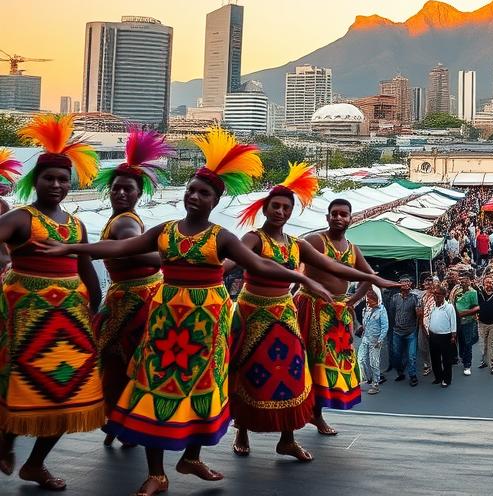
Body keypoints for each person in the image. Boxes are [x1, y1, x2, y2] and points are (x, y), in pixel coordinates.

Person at [40, 128, 334, 496]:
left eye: (204, 193)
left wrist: (299, 276)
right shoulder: (164, 231)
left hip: (207, 326)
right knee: (153, 390)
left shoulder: (222, 238)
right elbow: (118, 249)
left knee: (203, 389)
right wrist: (68, 250)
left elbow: (259, 266)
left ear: (215, 200)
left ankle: (191, 458)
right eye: (191, 190)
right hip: (165, 323)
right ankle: (157, 474)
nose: (194, 196)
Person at [229, 165, 395, 461]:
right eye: (275, 206)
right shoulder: (253, 239)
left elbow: (334, 266)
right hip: (252, 315)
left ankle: (287, 439)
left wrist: (373, 280)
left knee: (294, 376)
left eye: (286, 207)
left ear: (291, 212)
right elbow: (229, 262)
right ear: (265, 208)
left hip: (284, 316)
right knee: (247, 373)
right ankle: (241, 430)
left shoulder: (298, 244)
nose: (280, 211)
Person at [0, 116, 103, 491]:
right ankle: (6, 444)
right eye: (49, 178)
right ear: (35, 181)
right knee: (18, 388)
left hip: (71, 325)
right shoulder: (20, 218)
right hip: (24, 319)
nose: (57, 185)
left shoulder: (77, 225)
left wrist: (95, 309)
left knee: (70, 394)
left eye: (63, 179)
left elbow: (87, 270)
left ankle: (35, 464)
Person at [91, 129, 172, 447]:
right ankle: (123, 420)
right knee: (126, 364)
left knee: (125, 364)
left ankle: (120, 420)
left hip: (136, 303)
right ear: (108, 190)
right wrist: (173, 254)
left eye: (128, 189)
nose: (121, 193)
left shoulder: (125, 220)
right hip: (133, 303)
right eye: (117, 187)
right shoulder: (126, 223)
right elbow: (129, 249)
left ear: (139, 193)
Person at [300, 197, 387, 430]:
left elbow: (369, 278)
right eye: (334, 213)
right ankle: (297, 418)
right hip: (310, 308)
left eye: (343, 214)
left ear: (351, 218)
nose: (338, 217)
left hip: (336, 315)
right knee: (305, 364)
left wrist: (351, 301)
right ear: (327, 217)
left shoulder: (352, 249)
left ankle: (315, 415)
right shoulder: (315, 241)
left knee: (325, 367)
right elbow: (289, 260)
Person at [386, 274, 421, 385]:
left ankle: (413, 375)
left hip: (411, 331)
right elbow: (392, 312)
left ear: (411, 284)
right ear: (399, 284)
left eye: (407, 281)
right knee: (396, 355)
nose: (406, 283)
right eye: (403, 281)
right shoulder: (395, 297)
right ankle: (400, 372)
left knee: (412, 356)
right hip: (397, 331)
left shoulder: (415, 298)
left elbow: (418, 313)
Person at [358, 286, 388, 394]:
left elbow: (385, 327)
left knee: (374, 363)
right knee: (360, 359)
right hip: (365, 338)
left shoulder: (381, 311)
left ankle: (375, 384)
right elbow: (364, 323)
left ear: (374, 300)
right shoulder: (366, 309)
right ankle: (365, 378)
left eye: (369, 299)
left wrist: (380, 341)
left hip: (375, 341)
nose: (367, 301)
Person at [426, 284, 458, 387]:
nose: (436, 296)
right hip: (433, 335)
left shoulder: (449, 307)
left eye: (438, 294)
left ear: (444, 295)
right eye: (435, 294)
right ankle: (438, 377)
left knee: (446, 359)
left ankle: (446, 380)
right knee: (435, 358)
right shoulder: (433, 306)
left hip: (445, 336)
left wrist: (453, 336)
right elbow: (429, 319)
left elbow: (453, 322)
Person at [454, 271, 480, 375]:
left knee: (467, 343)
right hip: (457, 321)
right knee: (460, 341)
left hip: (468, 321)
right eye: (461, 280)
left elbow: (476, 307)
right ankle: (462, 357)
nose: (463, 282)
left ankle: (467, 364)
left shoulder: (473, 292)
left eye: (465, 280)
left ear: (469, 281)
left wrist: (464, 313)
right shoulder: (457, 291)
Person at [476, 276, 493, 375]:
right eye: (487, 283)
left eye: (491, 282)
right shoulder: (479, 294)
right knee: (483, 344)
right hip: (482, 323)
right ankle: (485, 361)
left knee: (491, 343)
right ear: (483, 284)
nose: (489, 285)